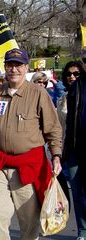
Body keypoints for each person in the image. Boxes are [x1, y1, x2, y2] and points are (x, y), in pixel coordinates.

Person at [0, 48, 62, 240]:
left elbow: (53, 128)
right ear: (5, 67)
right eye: (10, 65)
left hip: (27, 167)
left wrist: (56, 155)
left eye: (18, 65)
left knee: (29, 222)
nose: (14, 69)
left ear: (26, 68)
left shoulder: (38, 94)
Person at [63, 61, 86, 239]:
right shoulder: (73, 90)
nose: (73, 77)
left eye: (76, 74)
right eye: (69, 74)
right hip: (72, 149)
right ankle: (82, 231)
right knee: (77, 193)